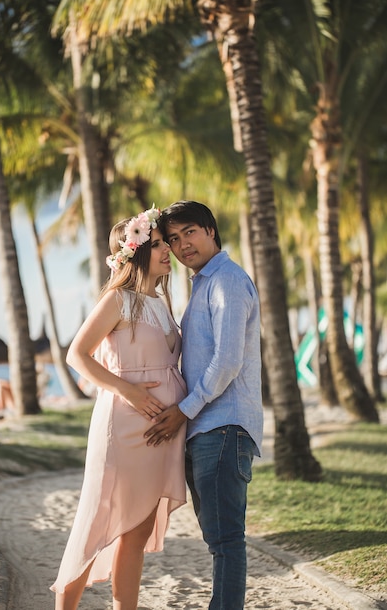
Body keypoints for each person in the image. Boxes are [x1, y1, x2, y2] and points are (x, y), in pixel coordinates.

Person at [51, 204, 187, 610]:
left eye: (167, 243)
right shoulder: (118, 300)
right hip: (123, 426)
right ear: (136, 252)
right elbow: (77, 355)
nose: (169, 250)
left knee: (138, 529)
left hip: (161, 431)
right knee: (95, 521)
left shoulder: (163, 306)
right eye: (159, 243)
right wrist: (129, 392)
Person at [144, 200, 263, 610]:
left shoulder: (227, 280)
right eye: (173, 239)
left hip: (223, 426)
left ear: (210, 230)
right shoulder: (203, 284)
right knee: (219, 539)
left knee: (227, 540)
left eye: (189, 232)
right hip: (206, 427)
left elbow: (227, 361)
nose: (182, 245)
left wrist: (184, 410)